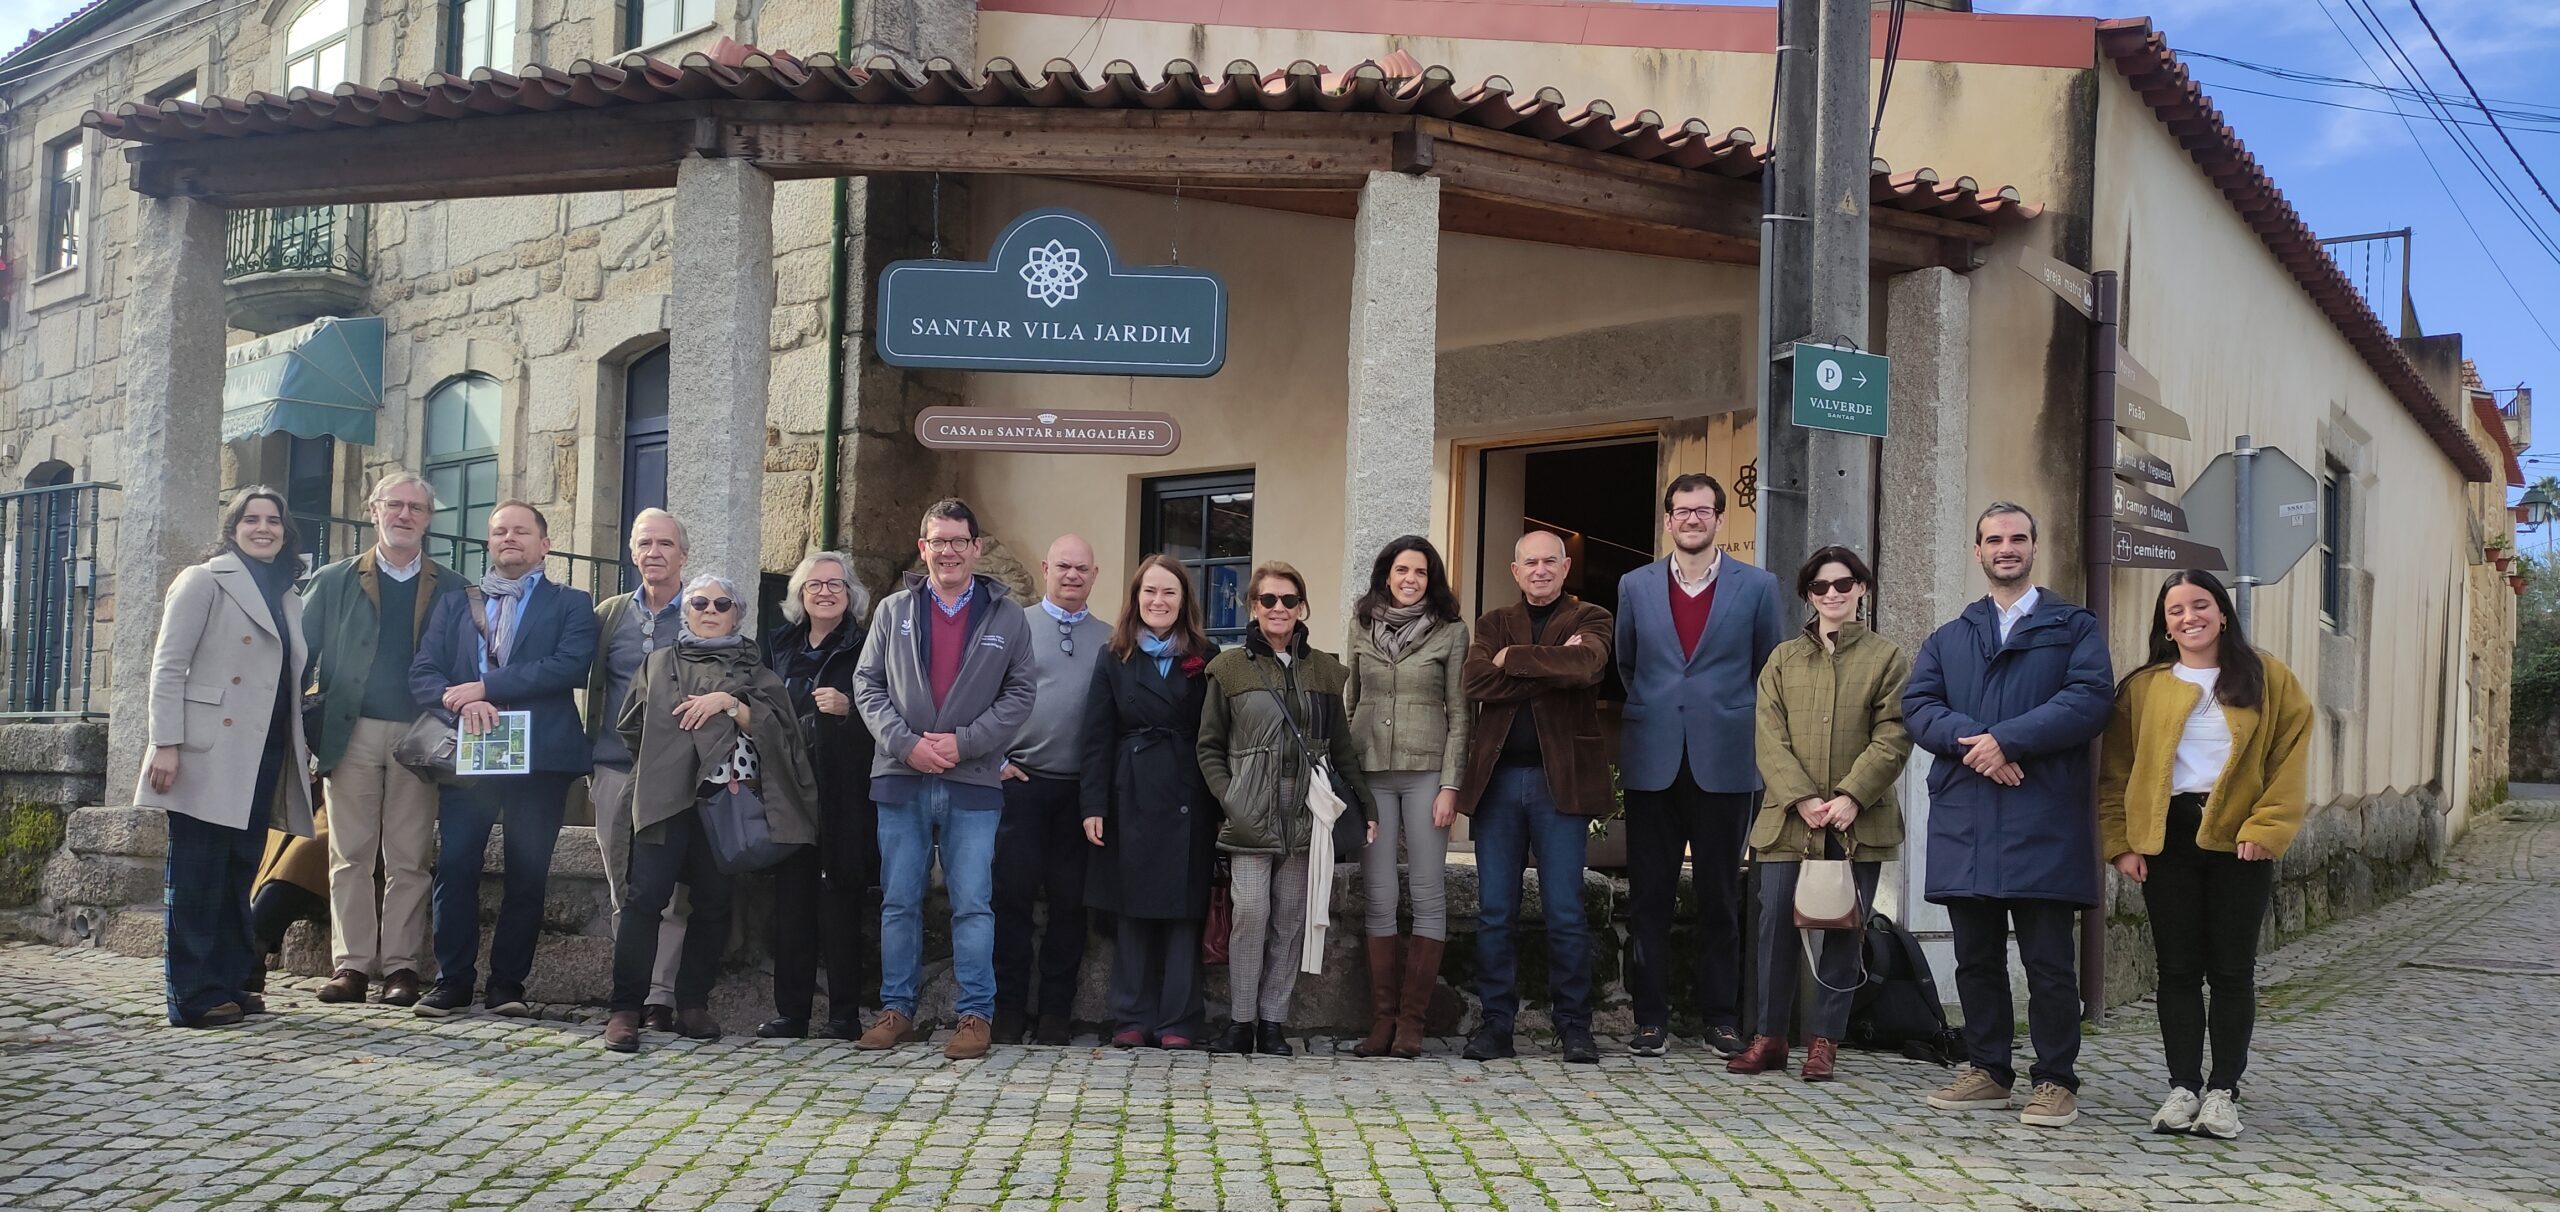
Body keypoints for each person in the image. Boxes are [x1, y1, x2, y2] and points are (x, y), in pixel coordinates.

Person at [1903, 501, 2114, 1128]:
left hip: (2041, 815)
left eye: (2017, 538)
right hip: (1969, 815)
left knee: (2049, 960)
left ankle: (2055, 1080)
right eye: (1993, 539)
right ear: (1978, 551)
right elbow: (1918, 705)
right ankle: (1989, 1069)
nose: (2006, 548)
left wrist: (2009, 741)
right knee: (1976, 956)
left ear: (2034, 547)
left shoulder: (2074, 627)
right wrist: (1979, 744)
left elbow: (2089, 699)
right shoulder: (1948, 637)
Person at [2101, 570, 2312, 1140]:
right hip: (2165, 838)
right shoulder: (2144, 687)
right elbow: (2115, 769)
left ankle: (2223, 1091)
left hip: (2240, 840)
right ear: (2164, 625)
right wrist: (2121, 842)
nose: (2188, 617)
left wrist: (2266, 827)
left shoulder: (2268, 678)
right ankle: (2181, 1088)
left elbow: (2289, 758)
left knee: (2231, 969)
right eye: (2175, 610)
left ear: (2223, 613)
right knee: (2175, 969)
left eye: (2200, 605)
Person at [601, 574, 820, 1052]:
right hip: (663, 798)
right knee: (645, 900)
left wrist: (731, 703)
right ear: (687, 610)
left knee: (715, 904)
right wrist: (671, 759)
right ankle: (625, 1009)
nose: (710, 609)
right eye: (699, 601)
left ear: (737, 613)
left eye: (723, 602)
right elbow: (631, 727)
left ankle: (692, 1004)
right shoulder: (658, 663)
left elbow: (783, 733)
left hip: (723, 803)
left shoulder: (757, 672)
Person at [852, 499, 1038, 1061]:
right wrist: (907, 745)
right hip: (901, 777)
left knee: (974, 904)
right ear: (923, 547)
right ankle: (897, 1010)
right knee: (899, 901)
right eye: (939, 541)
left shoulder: (1007, 616)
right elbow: (867, 685)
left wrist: (964, 743)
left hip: (973, 778)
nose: (950, 550)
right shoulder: (891, 611)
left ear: (976, 548)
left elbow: (1021, 694)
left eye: (960, 540)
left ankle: (976, 1016)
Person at [1614, 472, 1786, 1058]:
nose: (1692, 519)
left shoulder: (1758, 587)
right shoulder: (1634, 585)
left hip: (1726, 759)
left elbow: (1769, 669)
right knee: (1649, 898)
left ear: (1719, 519)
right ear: (1668, 520)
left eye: (1703, 511)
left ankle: (1720, 1018)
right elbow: (1628, 664)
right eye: (1681, 511)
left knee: (1719, 896)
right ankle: (1650, 1020)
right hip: (1653, 758)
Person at [409, 501, 600, 1018]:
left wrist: (487, 684)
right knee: (455, 865)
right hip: (468, 751)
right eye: (499, 532)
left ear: (545, 543)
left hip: (541, 756)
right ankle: (452, 981)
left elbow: (568, 666)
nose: (508, 538)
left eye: (520, 531)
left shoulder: (573, 603)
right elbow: (424, 671)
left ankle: (507, 987)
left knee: (528, 872)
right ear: (489, 543)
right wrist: (464, 699)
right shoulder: (453, 604)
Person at [135, 486, 317, 1028]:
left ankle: (229, 981)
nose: (264, 528)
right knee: (196, 873)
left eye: (274, 520)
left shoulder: (287, 592)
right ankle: (190, 995)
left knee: (239, 869)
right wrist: (164, 744)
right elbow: (168, 667)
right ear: (232, 526)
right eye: (251, 519)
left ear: (286, 531)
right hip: (204, 750)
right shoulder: (204, 579)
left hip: (264, 750)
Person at [1732, 546, 1913, 1082]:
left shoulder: (1889, 658)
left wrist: (1852, 795)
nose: (1832, 594)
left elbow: (1895, 733)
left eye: (1843, 583)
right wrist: (1802, 797)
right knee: (1774, 930)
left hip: (1858, 821)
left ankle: (1824, 1042)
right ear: (1808, 596)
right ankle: (1769, 1037)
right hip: (1788, 819)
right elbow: (1768, 735)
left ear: (1862, 587)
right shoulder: (1783, 659)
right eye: (1820, 587)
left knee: (1842, 929)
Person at [1197, 561, 1375, 1058]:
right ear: (1253, 607)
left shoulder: (1324, 669)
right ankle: (1240, 1021)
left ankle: (1273, 1022)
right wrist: (1230, 796)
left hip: (1305, 814)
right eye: (1269, 600)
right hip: (1250, 813)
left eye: (1289, 600)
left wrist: (1366, 802)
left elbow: (1341, 746)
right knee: (1251, 913)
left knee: (1290, 919)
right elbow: (1208, 745)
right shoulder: (1228, 669)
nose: (1279, 608)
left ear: (1302, 608)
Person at [299, 471, 463, 1008]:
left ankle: (401, 967)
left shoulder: (453, 586)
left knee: (409, 857)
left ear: (428, 520)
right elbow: (302, 661)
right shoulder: (335, 579)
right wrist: (297, 734)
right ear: (373, 511)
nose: (405, 516)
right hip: (352, 732)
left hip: (422, 738)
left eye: (417, 508)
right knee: (350, 854)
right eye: (395, 505)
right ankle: (351, 966)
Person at [1455, 530, 1614, 1064]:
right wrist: (1549, 665)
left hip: (1559, 783)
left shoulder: (1592, 617)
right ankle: (1496, 1025)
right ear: (1514, 569)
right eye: (1531, 562)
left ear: (1566, 567)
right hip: (1498, 781)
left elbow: (1588, 666)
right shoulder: (1492, 622)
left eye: (1551, 561)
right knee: (1495, 910)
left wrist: (1514, 661)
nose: (1541, 570)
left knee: (1565, 910)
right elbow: (1475, 681)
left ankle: (1574, 1026)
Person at [1079, 554, 1221, 1050]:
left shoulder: (1207, 655)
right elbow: (1096, 737)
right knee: (1131, 907)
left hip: (1189, 792)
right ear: (1136, 598)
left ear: (1184, 602)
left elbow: (1216, 734)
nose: (1158, 601)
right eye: (1149, 592)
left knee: (1185, 908)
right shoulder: (1112, 655)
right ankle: (1131, 1016)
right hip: (1129, 790)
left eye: (1169, 593)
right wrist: (1092, 805)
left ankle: (1180, 1019)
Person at [1343, 536, 1471, 1059]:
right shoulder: (1360, 625)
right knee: (1378, 893)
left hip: (1425, 774)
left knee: (1426, 891)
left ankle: (1413, 1024)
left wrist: (1450, 785)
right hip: (1370, 774)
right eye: (1401, 570)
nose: (1410, 579)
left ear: (1430, 578)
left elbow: (1461, 713)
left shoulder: (1451, 632)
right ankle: (1382, 1021)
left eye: (1420, 571)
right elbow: (1350, 702)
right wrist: (1346, 780)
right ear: (1386, 575)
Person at [757, 551, 880, 1041]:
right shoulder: (778, 645)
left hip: (844, 791)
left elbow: (888, 712)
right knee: (791, 905)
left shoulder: (867, 645)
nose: (825, 592)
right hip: (789, 791)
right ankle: (792, 1013)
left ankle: (844, 1016)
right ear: (800, 596)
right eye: (814, 585)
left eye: (836, 585)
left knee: (840, 903)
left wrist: (851, 710)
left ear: (851, 596)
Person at [993, 535, 1110, 1045]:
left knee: (1070, 905)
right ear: (1045, 568)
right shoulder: (1011, 625)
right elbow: (978, 695)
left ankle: (1056, 1014)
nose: (1071, 575)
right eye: (1063, 566)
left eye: (1081, 568)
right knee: (1011, 900)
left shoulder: (1111, 639)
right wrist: (992, 759)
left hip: (1080, 793)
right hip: (1019, 783)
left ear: (1094, 574)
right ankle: (1009, 1010)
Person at [584, 508, 692, 1032]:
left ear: (682, 555)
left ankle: (660, 994)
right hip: (612, 765)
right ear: (632, 552)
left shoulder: (699, 612)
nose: (655, 552)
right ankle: (627, 988)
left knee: (667, 892)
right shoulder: (608, 614)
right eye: (645, 543)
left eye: (665, 544)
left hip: (672, 774)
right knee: (619, 888)